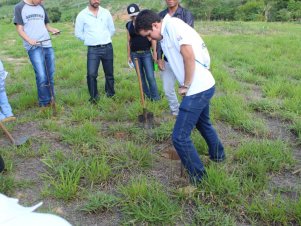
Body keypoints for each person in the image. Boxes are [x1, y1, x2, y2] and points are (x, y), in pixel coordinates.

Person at [135, 10, 225, 184]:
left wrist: (187, 84)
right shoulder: (167, 29)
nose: (149, 39)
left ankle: (199, 178)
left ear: (155, 25)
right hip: (203, 86)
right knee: (203, 123)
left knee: (180, 137)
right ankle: (218, 156)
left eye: (148, 35)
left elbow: (189, 56)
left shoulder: (174, 26)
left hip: (197, 89)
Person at [13, 0, 60, 107]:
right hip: (33, 47)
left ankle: (52, 99)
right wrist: (29, 39)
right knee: (42, 75)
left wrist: (52, 30)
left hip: (47, 44)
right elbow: (19, 29)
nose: (42, 1)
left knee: (50, 74)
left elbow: (46, 24)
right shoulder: (19, 7)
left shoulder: (41, 6)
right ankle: (44, 103)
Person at [157, 0, 194, 116]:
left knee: (187, 88)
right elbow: (158, 39)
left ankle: (187, 111)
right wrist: (159, 57)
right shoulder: (160, 16)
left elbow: (189, 35)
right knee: (167, 89)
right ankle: (175, 110)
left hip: (182, 60)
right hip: (167, 60)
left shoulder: (186, 14)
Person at [75, 0, 116, 104]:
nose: (96, 1)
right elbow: (78, 33)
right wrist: (90, 39)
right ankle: (94, 97)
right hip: (93, 49)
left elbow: (112, 29)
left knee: (109, 73)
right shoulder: (82, 15)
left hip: (107, 47)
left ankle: (110, 94)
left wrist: (104, 38)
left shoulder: (106, 12)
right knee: (91, 74)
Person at [126, 3, 160, 101]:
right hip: (135, 55)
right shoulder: (128, 25)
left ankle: (155, 98)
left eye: (136, 15)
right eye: (132, 16)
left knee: (150, 76)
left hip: (146, 54)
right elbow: (128, 41)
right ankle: (146, 96)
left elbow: (153, 39)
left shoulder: (145, 23)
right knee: (141, 78)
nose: (134, 17)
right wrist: (128, 56)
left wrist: (154, 52)